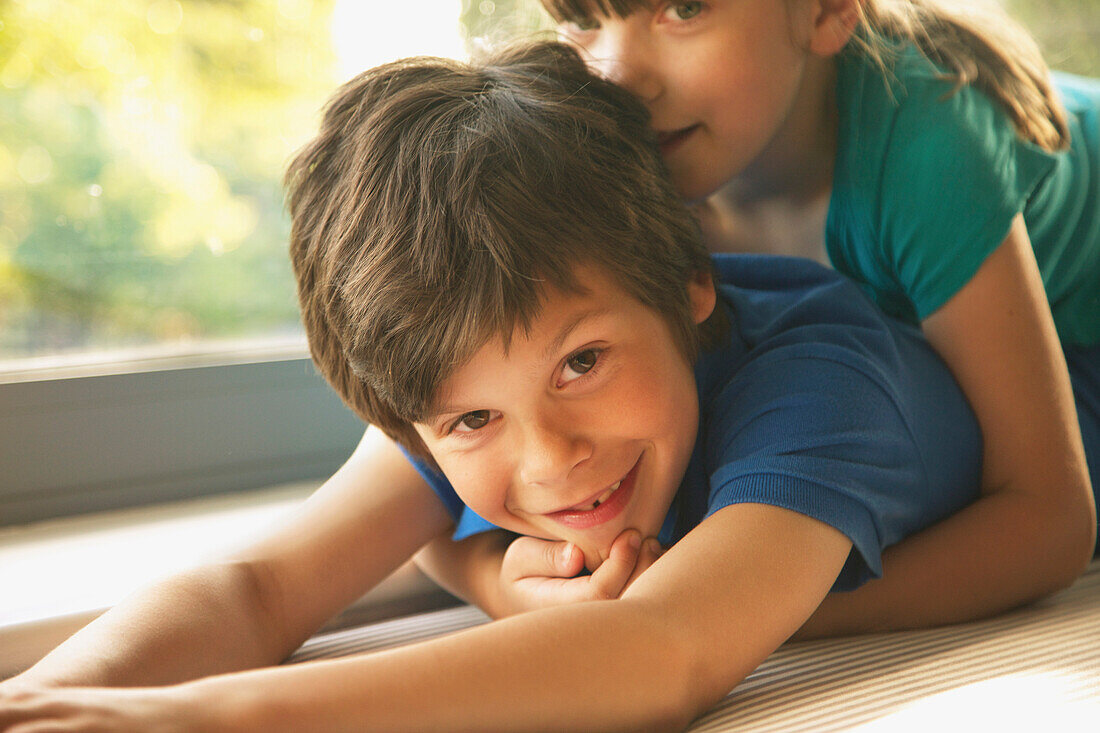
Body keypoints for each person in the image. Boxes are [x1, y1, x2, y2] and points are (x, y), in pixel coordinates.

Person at [0, 42, 1093, 731]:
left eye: (582, 364)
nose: (547, 458)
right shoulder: (479, 360)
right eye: (469, 421)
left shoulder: (820, 386)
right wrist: (56, 699)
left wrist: (207, 718)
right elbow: (256, 587)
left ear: (688, 285)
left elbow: (659, 650)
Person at [417, 0, 1100, 633]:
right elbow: (410, 472)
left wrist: (755, 608)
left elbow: (1049, 520)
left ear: (825, 9)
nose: (617, 74)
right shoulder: (626, 145)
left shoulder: (929, 149)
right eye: (581, 17)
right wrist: (499, 584)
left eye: (682, 8)